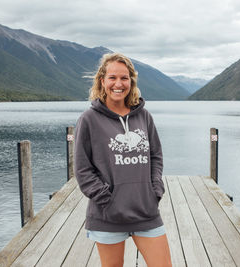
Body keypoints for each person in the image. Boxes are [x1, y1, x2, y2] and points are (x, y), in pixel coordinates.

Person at [74, 53, 172, 267]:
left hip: (145, 211)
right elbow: (82, 169)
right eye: (112, 78)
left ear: (131, 81)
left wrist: (155, 189)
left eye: (124, 78)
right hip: (108, 215)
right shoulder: (89, 120)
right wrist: (106, 199)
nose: (118, 84)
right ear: (102, 81)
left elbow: (155, 155)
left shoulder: (144, 116)